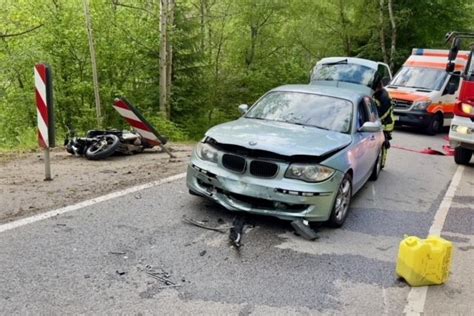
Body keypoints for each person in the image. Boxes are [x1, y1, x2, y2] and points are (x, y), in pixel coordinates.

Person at [372, 75, 394, 168]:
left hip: (387, 123)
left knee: (383, 142)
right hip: (380, 121)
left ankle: (382, 163)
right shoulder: (376, 94)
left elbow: (384, 113)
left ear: (378, 87)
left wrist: (375, 120)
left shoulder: (384, 96)